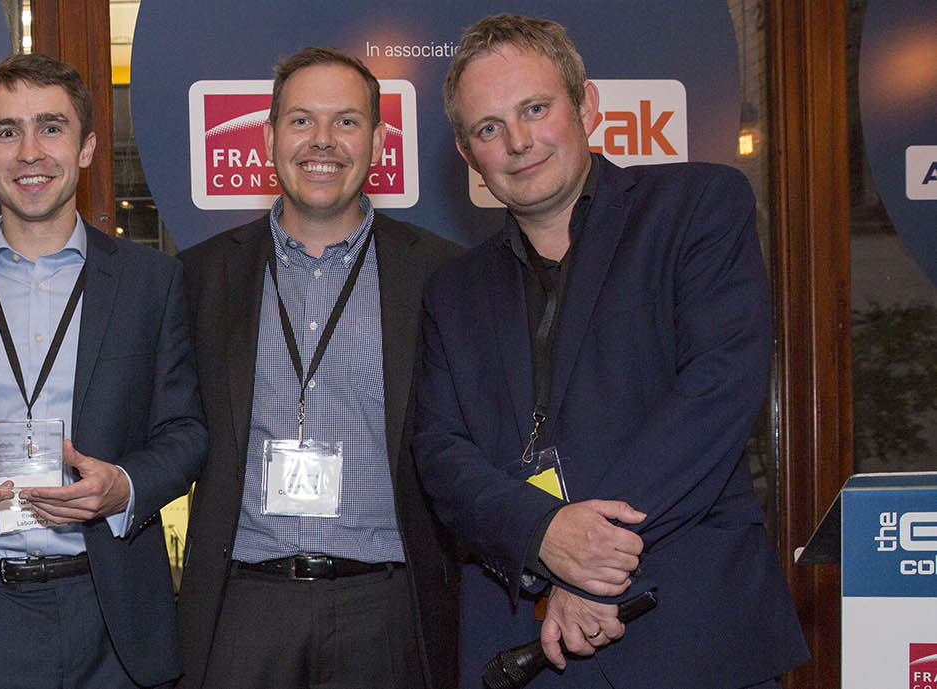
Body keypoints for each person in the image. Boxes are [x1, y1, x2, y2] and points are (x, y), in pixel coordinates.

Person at [413, 14, 808, 688]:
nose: (518, 141)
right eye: (488, 128)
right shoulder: (451, 291)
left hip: (691, 631)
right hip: (526, 648)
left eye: (535, 108)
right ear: (467, 152)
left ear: (586, 104)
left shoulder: (696, 208)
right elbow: (442, 455)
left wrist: (591, 559)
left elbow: (717, 390)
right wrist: (542, 535)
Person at [0, 53, 207, 689]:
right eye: (7, 131)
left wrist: (124, 485)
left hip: (115, 614)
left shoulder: (152, 283)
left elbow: (185, 431)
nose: (30, 152)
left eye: (51, 127)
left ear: (88, 145)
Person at [173, 46, 464, 689]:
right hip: (244, 606)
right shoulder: (199, 276)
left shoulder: (442, 274)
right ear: (270, 136)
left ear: (379, 141)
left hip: (387, 609)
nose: (322, 142)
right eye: (301, 120)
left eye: (347, 121)